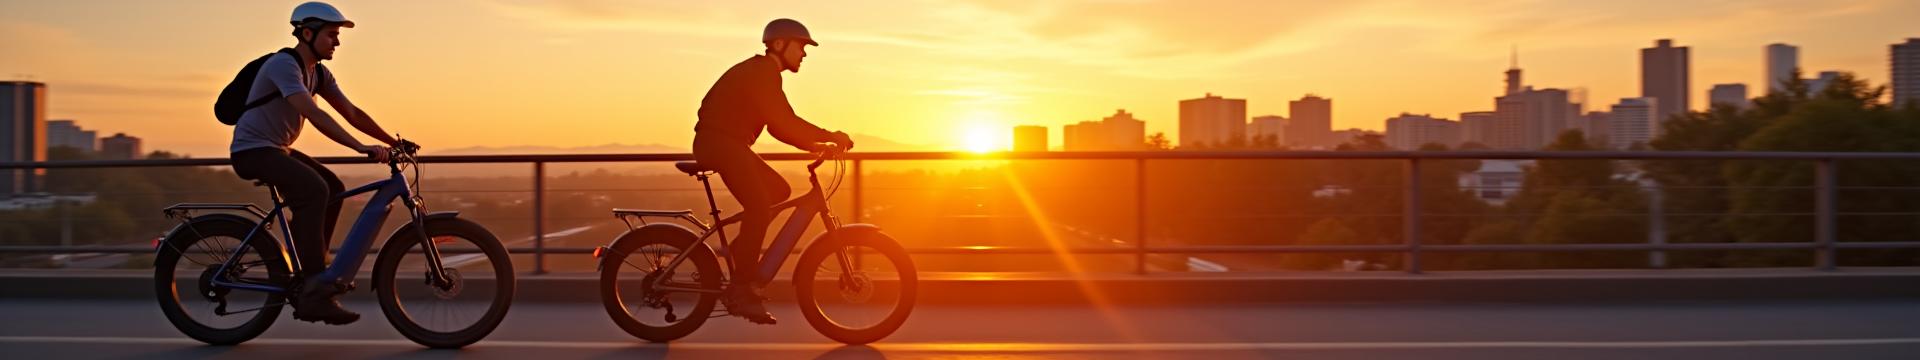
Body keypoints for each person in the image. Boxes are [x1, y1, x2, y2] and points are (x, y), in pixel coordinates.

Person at [228, 1, 403, 325]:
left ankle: (310, 265)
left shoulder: (319, 72)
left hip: (276, 148)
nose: (337, 42)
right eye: (332, 35)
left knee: (333, 187)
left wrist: (393, 142)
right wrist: (359, 146)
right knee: (314, 189)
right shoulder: (285, 64)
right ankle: (313, 289)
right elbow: (314, 112)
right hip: (253, 150)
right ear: (307, 34)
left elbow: (351, 112)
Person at [693, 18, 854, 324]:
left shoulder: (763, 74)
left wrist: (815, 144)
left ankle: (741, 251)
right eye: (802, 47)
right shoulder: (761, 73)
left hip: (727, 144)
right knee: (758, 206)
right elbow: (784, 121)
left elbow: (778, 127)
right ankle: (742, 290)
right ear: (780, 45)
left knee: (779, 191)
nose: (804, 54)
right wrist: (829, 135)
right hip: (720, 144)